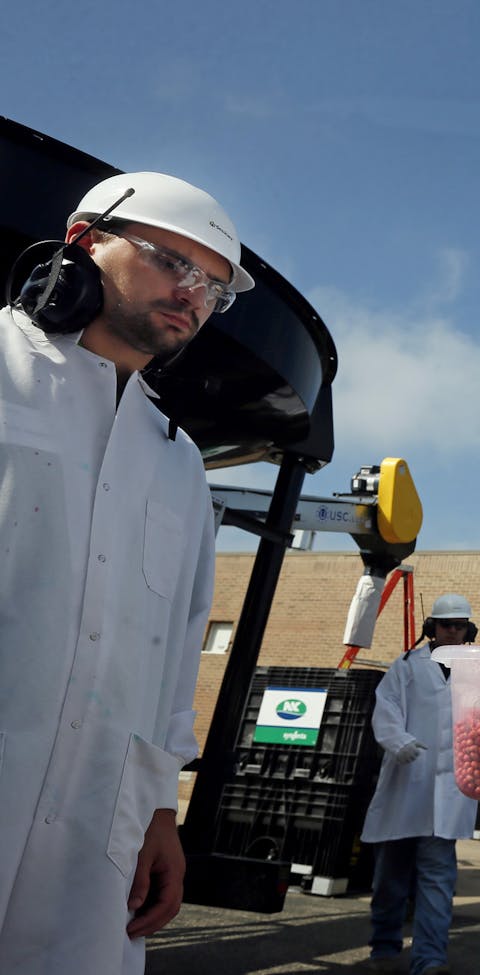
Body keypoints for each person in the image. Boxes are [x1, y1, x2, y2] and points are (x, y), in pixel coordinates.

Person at [0, 171, 253, 973]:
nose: (192, 295)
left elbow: (177, 649)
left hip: (97, 816)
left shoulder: (176, 460)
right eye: (169, 261)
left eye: (213, 287)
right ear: (83, 242)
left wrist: (158, 810)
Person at [359, 593, 480, 975]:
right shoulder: (407, 666)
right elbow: (387, 707)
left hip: (449, 793)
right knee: (390, 881)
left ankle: (430, 960)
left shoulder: (476, 671)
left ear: (468, 630)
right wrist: (399, 742)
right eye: (446, 625)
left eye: (459, 626)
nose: (453, 631)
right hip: (406, 783)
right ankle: (383, 947)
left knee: (438, 882)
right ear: (432, 627)